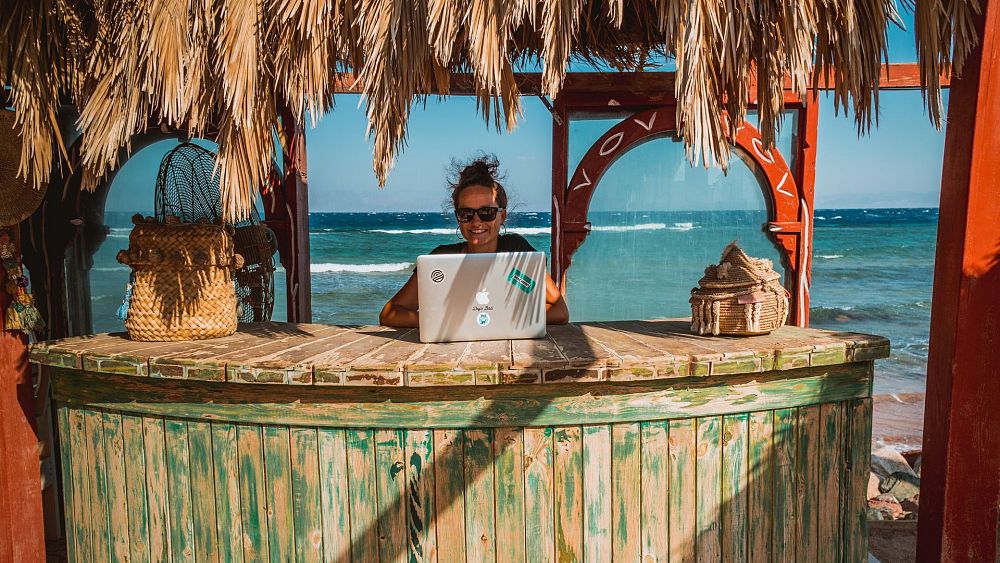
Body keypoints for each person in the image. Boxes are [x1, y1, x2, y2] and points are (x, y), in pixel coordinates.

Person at [380, 156, 569, 328]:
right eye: (466, 213)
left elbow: (559, 311)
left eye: (487, 212)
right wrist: (440, 320)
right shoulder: (441, 259)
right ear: (458, 218)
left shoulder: (517, 251)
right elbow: (389, 314)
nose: (476, 221)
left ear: (502, 216)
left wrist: (498, 316)